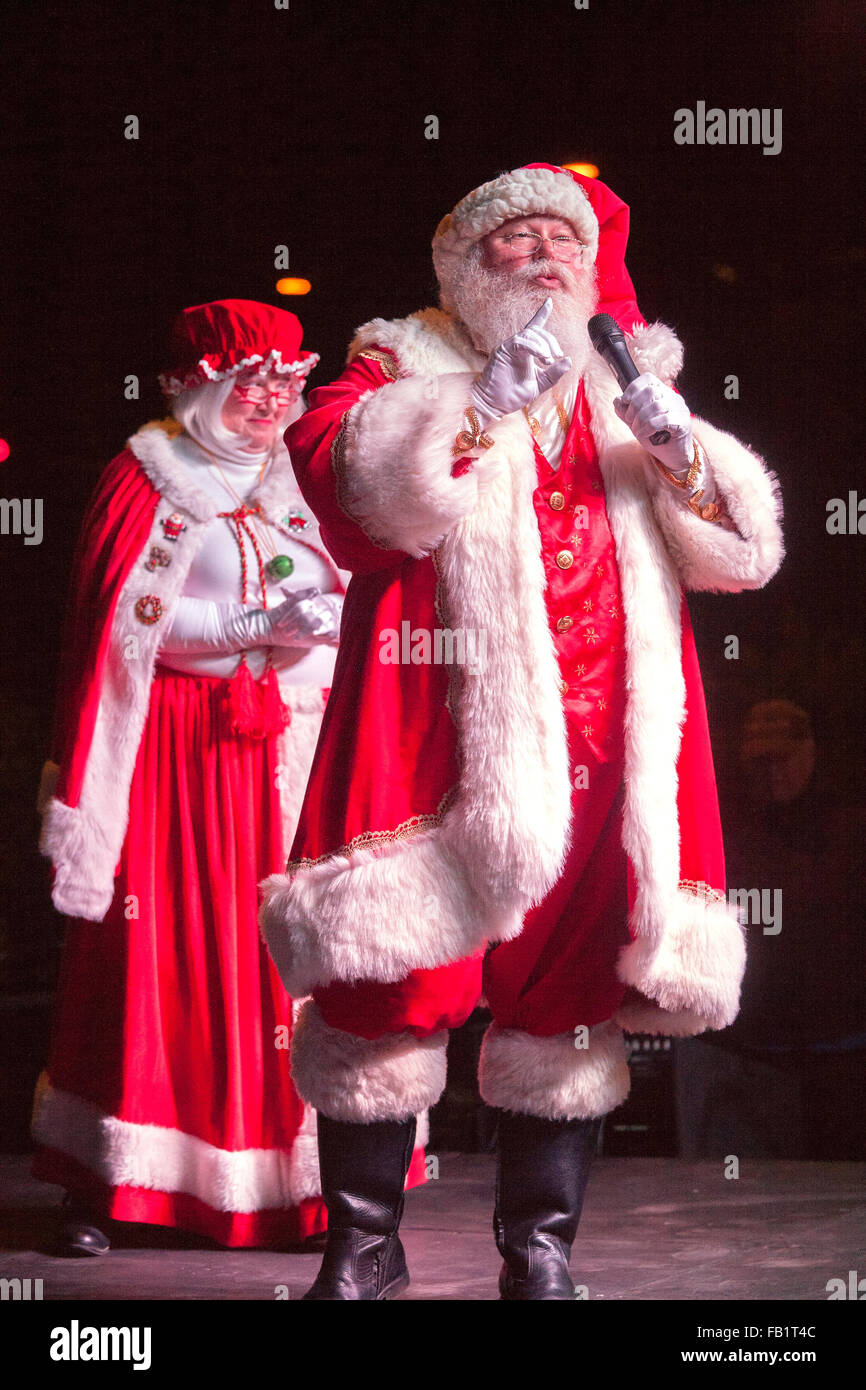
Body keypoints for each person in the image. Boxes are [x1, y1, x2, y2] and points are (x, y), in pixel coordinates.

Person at [260, 165, 784, 1299]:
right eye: (518, 238)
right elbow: (345, 488)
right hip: (435, 729)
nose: (547, 253)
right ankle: (363, 1240)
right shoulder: (401, 362)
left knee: (567, 995)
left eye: (566, 236)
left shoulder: (627, 378)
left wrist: (679, 448)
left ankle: (536, 1246)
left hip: (606, 740)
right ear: (462, 262)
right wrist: (481, 404)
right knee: (386, 984)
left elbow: (739, 555)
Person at [34, 299, 428, 1254]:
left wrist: (324, 628)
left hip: (300, 753)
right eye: (244, 382)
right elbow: (122, 631)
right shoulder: (144, 478)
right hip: (178, 757)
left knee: (299, 968)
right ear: (191, 386)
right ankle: (117, 1184)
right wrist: (248, 631)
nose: (266, 401)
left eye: (282, 384)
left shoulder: (315, 476)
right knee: (156, 957)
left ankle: (316, 1189)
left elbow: (376, 592)